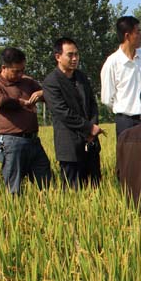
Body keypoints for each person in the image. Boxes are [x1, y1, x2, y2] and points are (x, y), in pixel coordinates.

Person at [0, 47, 52, 194]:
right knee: (14, 189)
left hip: (34, 141)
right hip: (12, 142)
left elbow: (50, 96)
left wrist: (42, 92)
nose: (20, 74)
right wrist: (22, 102)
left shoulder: (27, 81)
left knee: (46, 183)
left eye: (22, 70)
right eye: (16, 71)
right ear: (4, 67)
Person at [42, 37, 104, 189]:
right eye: (70, 55)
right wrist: (89, 128)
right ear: (58, 57)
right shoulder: (51, 82)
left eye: (76, 54)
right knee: (72, 190)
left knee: (96, 188)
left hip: (90, 143)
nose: (75, 58)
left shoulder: (81, 77)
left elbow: (92, 104)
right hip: (69, 145)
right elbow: (62, 112)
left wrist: (93, 127)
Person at [100, 16, 141, 137]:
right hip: (125, 122)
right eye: (138, 32)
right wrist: (124, 108)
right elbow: (106, 98)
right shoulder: (112, 62)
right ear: (127, 36)